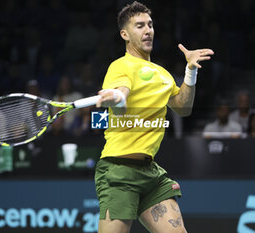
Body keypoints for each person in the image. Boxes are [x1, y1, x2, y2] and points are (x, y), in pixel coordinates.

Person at [95, 2, 214, 233]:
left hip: (150, 173)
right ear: (125, 34)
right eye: (139, 26)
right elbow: (123, 94)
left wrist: (190, 71)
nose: (148, 30)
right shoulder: (121, 66)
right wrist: (118, 97)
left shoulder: (163, 74)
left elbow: (183, 108)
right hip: (119, 171)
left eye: (150, 25)